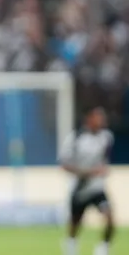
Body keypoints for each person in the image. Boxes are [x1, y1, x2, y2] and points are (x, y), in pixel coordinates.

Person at [59, 106, 115, 255]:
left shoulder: (107, 137)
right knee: (75, 223)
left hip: (96, 188)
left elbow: (105, 159)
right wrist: (88, 172)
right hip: (80, 188)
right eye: (98, 117)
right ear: (89, 119)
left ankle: (103, 249)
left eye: (102, 117)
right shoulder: (76, 137)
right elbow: (64, 164)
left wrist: (103, 170)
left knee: (109, 217)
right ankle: (70, 245)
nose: (101, 120)